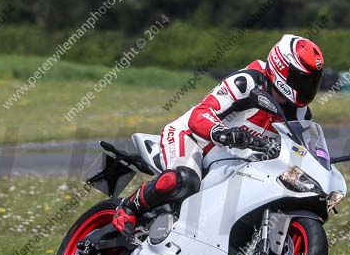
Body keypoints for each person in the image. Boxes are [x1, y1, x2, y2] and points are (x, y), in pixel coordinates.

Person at [112, 34, 325, 236]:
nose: (307, 88)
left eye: (312, 81)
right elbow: (200, 113)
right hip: (193, 137)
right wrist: (222, 133)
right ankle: (130, 207)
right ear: (281, 68)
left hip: (234, 158)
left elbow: (299, 152)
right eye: (302, 79)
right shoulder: (248, 81)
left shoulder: (301, 113)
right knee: (184, 180)